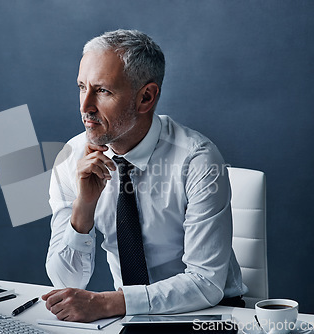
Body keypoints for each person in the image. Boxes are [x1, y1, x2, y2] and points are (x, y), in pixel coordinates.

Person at [42, 29, 247, 323]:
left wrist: (108, 304)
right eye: (81, 87)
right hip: (131, 317)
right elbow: (65, 280)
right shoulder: (73, 157)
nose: (85, 106)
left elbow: (206, 284)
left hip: (209, 316)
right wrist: (84, 207)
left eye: (102, 91)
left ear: (146, 97)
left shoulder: (197, 159)